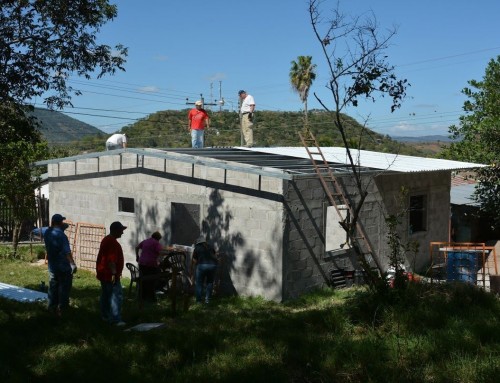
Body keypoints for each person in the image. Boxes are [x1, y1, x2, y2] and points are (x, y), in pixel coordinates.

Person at [44, 213, 77, 316]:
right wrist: (72, 264)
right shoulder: (62, 236)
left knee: (53, 287)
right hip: (63, 267)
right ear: (59, 223)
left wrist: (60, 228)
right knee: (64, 288)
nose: (63, 223)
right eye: (61, 222)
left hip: (52, 266)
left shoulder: (47, 233)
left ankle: (51, 307)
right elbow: (67, 252)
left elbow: (53, 230)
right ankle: (62, 309)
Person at [96, 221, 127, 326]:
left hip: (103, 273)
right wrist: (114, 274)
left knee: (106, 295)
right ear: (115, 230)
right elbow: (111, 260)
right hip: (109, 274)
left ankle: (105, 316)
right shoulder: (112, 242)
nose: (122, 233)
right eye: (121, 230)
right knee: (115, 296)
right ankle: (115, 319)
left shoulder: (107, 239)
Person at [135, 231, 164, 302]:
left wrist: (137, 256)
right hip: (150, 264)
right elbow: (161, 252)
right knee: (153, 279)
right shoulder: (156, 243)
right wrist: (167, 253)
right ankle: (151, 297)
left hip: (141, 263)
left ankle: (142, 296)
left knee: (144, 279)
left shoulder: (146, 241)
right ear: (158, 238)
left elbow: (137, 247)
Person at [191, 236, 218, 304]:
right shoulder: (210, 247)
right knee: (210, 282)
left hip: (202, 266)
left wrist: (194, 266)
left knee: (199, 283)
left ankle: (199, 301)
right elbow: (215, 256)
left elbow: (194, 260)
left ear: (198, 243)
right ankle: (207, 300)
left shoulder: (197, 248)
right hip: (213, 266)